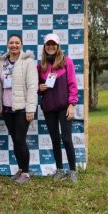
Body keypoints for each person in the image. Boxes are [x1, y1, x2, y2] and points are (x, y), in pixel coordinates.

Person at [0, 34, 38, 184]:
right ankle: (20, 168)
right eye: (11, 43)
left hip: (22, 107)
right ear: (7, 45)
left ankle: (26, 172)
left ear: (21, 45)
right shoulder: (2, 62)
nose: (14, 45)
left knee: (20, 139)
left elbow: (32, 87)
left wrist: (31, 109)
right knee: (15, 139)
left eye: (17, 43)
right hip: (6, 107)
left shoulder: (28, 62)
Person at [38, 33, 79, 183]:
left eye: (53, 44)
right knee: (55, 139)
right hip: (49, 108)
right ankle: (60, 169)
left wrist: (72, 104)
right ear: (44, 47)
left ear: (57, 46)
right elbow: (35, 88)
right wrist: (39, 88)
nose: (50, 47)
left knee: (66, 138)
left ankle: (73, 171)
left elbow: (73, 85)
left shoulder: (67, 62)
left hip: (64, 107)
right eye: (48, 44)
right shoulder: (40, 66)